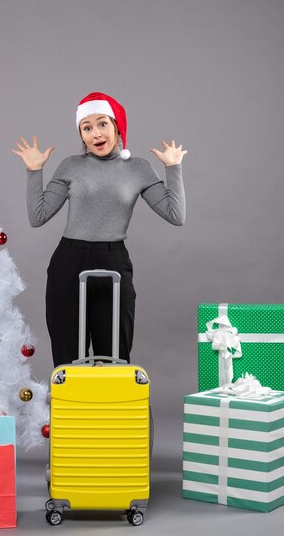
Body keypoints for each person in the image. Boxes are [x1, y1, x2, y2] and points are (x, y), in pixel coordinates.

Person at [12, 92, 187, 367]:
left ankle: (112, 408)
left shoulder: (139, 168)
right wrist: (34, 171)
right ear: (81, 134)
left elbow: (176, 215)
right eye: (87, 127)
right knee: (68, 353)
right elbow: (38, 216)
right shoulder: (71, 165)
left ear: (117, 125)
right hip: (68, 261)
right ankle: (73, 408)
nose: (96, 134)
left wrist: (173, 168)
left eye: (102, 123)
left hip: (113, 259)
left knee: (115, 353)